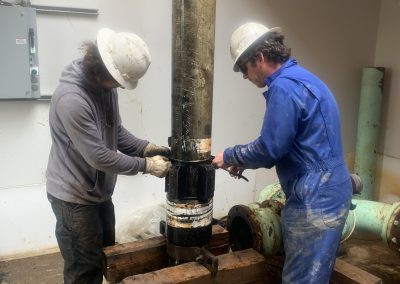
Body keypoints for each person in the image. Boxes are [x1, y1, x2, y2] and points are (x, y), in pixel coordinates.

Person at [212, 22, 352, 283]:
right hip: (329, 189)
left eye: (243, 68)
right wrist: (246, 160)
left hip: (314, 198)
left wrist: (230, 155)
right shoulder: (305, 79)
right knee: (315, 273)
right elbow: (289, 145)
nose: (244, 76)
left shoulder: (284, 88)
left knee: (301, 279)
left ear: (260, 58)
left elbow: (270, 148)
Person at [46, 28, 171, 284]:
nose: (120, 88)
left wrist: (145, 148)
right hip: (74, 199)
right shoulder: (71, 99)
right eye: (118, 81)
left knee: (107, 256)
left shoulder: (104, 87)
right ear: (103, 71)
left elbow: (116, 131)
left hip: (98, 193)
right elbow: (99, 156)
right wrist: (146, 165)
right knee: (85, 269)